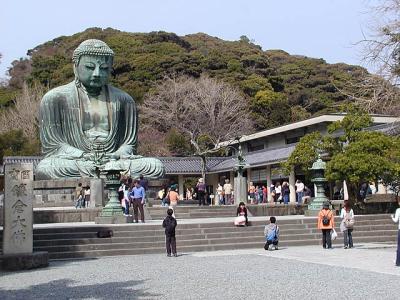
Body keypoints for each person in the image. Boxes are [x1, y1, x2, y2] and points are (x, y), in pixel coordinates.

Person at [35, 39, 165, 180]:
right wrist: (83, 155)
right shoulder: (55, 98)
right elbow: (54, 145)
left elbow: (129, 144)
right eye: (90, 67)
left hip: (114, 161)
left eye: (103, 68)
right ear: (75, 67)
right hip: (77, 160)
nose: (97, 73)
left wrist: (116, 155)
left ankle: (105, 172)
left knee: (155, 166)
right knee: (46, 168)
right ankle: (107, 174)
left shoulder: (124, 100)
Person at [391, 201, 400, 266]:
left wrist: (392, 217)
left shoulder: (398, 210)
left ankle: (398, 261)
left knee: (399, 246)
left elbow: (396, 220)